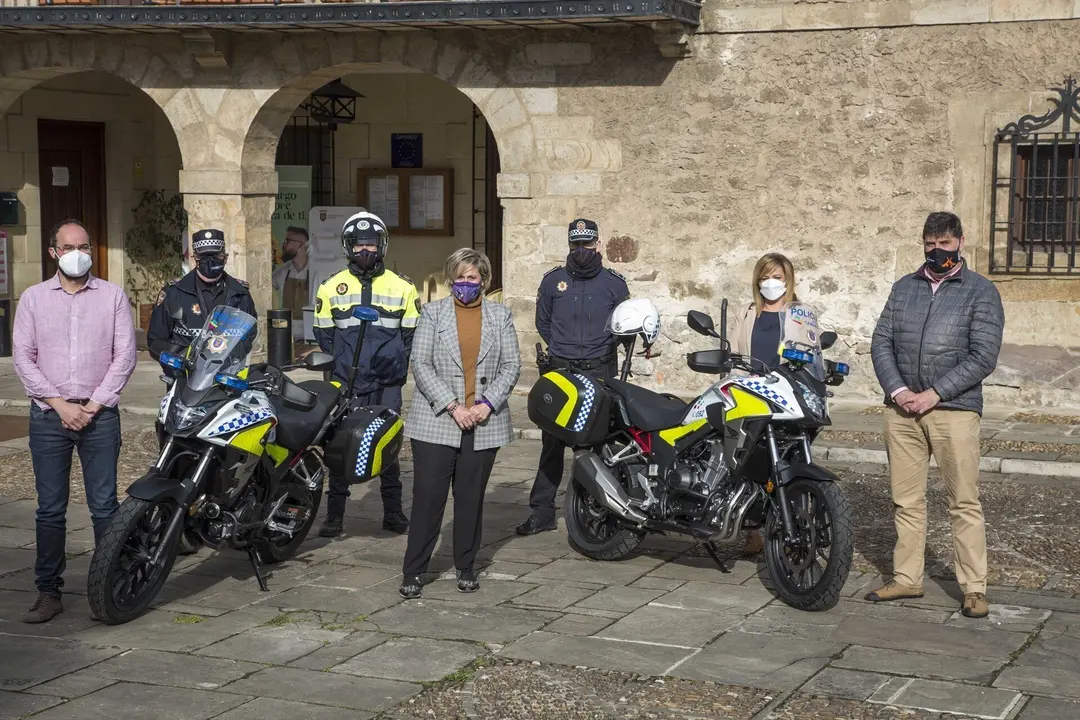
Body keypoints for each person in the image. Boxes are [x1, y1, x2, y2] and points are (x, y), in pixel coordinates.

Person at [867, 211, 1004, 619]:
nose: (936, 251)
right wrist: (900, 391)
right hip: (902, 410)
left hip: (954, 411)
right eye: (930, 243)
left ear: (960, 242)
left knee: (963, 501)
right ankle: (908, 578)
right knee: (906, 500)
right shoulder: (903, 288)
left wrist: (934, 394)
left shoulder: (981, 291)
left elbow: (984, 355)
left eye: (944, 244)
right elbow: (881, 343)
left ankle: (974, 588)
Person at [12, 219, 137, 623]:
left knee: (104, 507)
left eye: (83, 245)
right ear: (54, 252)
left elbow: (125, 356)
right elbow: (23, 358)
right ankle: (49, 591)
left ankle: (109, 586)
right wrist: (59, 404)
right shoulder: (33, 299)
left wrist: (95, 404)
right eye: (68, 246)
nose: (77, 253)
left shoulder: (112, 296)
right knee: (50, 509)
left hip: (99, 416)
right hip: (50, 415)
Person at [398, 248, 521, 598]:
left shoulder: (500, 316)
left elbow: (511, 366)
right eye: (460, 277)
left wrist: (486, 405)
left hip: (483, 422)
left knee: (470, 499)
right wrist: (453, 406)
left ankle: (466, 566)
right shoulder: (433, 313)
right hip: (438, 419)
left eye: (472, 277)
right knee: (428, 498)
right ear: (450, 279)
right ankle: (414, 570)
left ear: (483, 279)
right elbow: (420, 364)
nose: (465, 283)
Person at [516, 218, 629, 536]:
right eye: (575, 244)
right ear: (569, 245)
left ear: (598, 244)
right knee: (552, 442)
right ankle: (542, 512)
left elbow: (622, 327)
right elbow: (544, 323)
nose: (582, 250)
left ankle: (601, 509)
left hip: (598, 370)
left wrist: (597, 350)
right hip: (562, 370)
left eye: (587, 244)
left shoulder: (614, 284)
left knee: (600, 443)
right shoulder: (553, 282)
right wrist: (564, 348)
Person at [314, 211, 420, 537]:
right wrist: (346, 365)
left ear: (381, 246)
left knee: (386, 442)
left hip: (387, 382)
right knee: (340, 445)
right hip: (345, 381)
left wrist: (389, 362)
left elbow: (410, 337)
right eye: (358, 245)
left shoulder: (403, 288)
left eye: (371, 244)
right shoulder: (330, 288)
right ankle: (334, 516)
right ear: (348, 247)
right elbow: (325, 337)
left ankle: (393, 513)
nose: (365, 251)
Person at [729, 252, 800, 557]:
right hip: (752, 395)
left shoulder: (799, 314)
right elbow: (733, 355)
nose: (771, 283)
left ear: (788, 281)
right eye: (765, 277)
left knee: (787, 462)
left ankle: (789, 526)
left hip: (786, 395)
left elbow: (810, 353)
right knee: (747, 463)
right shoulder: (746, 314)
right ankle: (752, 531)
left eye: (777, 277)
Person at [147, 228, 257, 360]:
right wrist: (178, 363)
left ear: (225, 258)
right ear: (194, 260)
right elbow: (156, 342)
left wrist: (234, 358)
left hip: (227, 375)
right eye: (204, 257)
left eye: (216, 256)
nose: (210, 262)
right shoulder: (174, 293)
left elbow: (250, 334)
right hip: (186, 375)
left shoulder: (240, 293)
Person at [272, 225, 310, 329]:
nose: (283, 245)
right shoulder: (284, 270)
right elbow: (265, 285)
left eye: (287, 241)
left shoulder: (315, 270)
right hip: (287, 331)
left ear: (299, 244)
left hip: (309, 332)